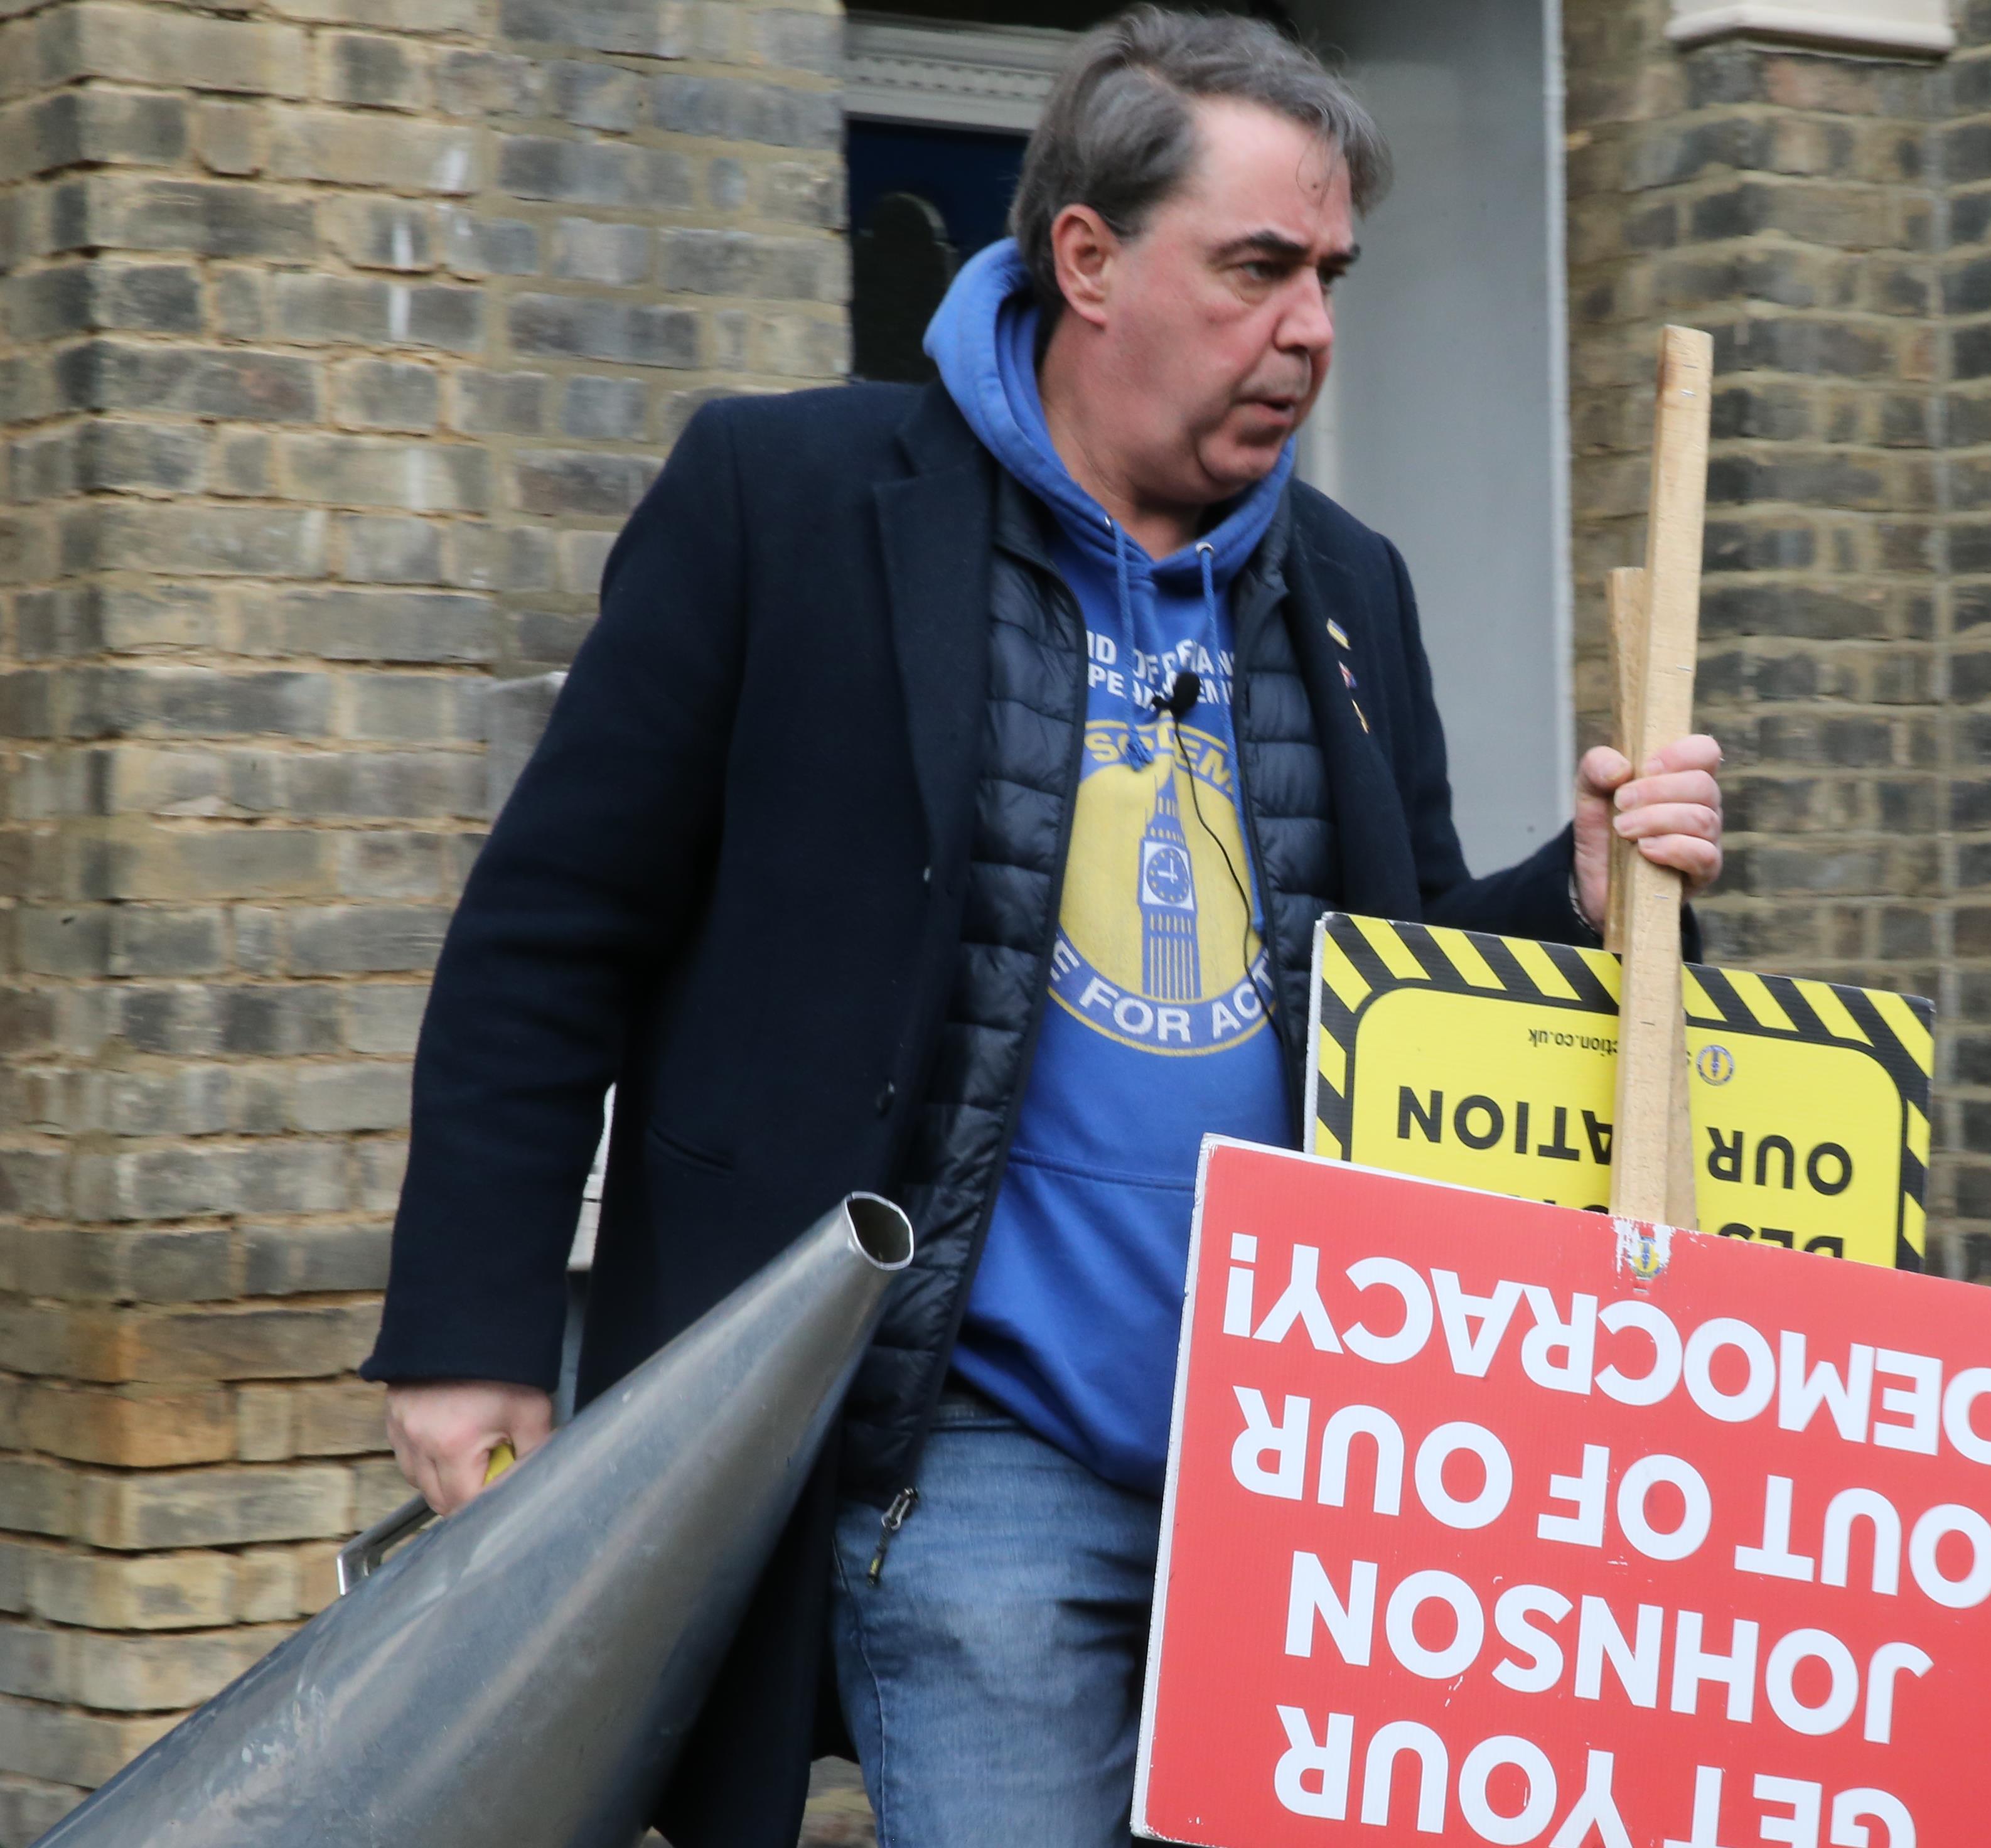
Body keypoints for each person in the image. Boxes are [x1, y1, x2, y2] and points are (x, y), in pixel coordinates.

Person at [358, 12, 1724, 1845]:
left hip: (1312, 1476)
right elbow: (551, 933)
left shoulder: (1350, 590)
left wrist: (1575, 893)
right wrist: (469, 1333)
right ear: (1086, 258)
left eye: (1328, 275)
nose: (1310, 328)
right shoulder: (792, 506)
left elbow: (1393, 995)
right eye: (1255, 269)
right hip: (967, 1463)